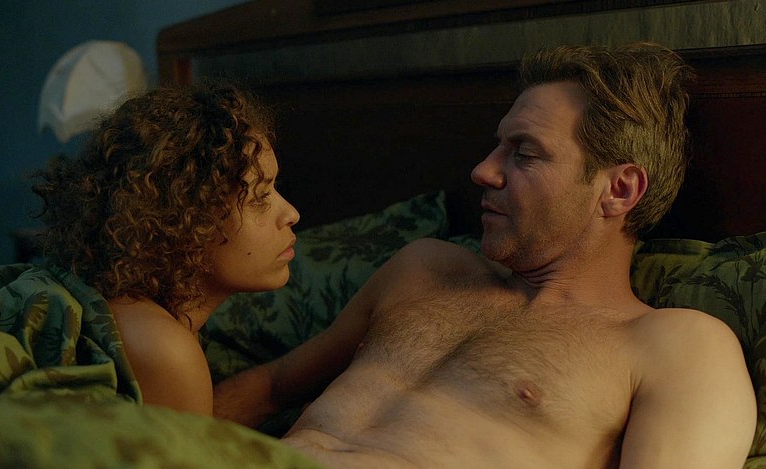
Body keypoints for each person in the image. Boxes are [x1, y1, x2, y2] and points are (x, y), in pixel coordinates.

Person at [212, 42, 756, 468]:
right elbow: (272, 390)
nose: (483, 171)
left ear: (618, 190)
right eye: (498, 146)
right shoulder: (424, 268)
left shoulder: (678, 347)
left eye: (524, 154)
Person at [32, 81, 300, 417]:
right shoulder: (162, 347)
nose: (292, 214)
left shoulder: (148, 316)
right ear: (182, 218)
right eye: (259, 197)